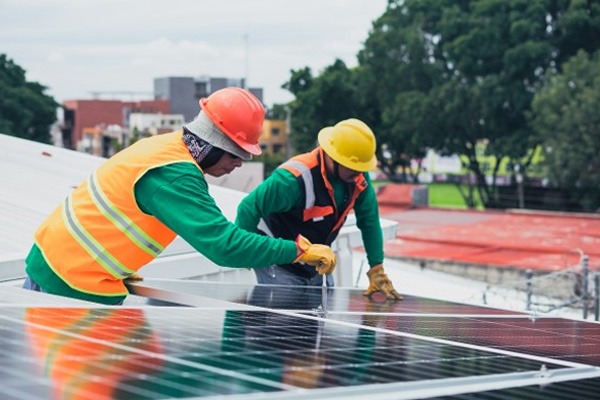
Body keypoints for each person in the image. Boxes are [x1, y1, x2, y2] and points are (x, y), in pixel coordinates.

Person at [22, 87, 336, 305]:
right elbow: (223, 246)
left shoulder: (167, 147)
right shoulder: (174, 174)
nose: (240, 162)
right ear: (215, 142)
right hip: (69, 280)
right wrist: (296, 251)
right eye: (237, 153)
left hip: (66, 266)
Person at [235, 118, 402, 300]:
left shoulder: (358, 179)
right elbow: (248, 208)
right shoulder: (293, 179)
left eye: (361, 168)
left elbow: (369, 221)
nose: (358, 173)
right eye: (353, 167)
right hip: (280, 261)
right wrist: (245, 252)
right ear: (333, 157)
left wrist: (376, 267)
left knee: (318, 315)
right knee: (285, 318)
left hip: (317, 260)